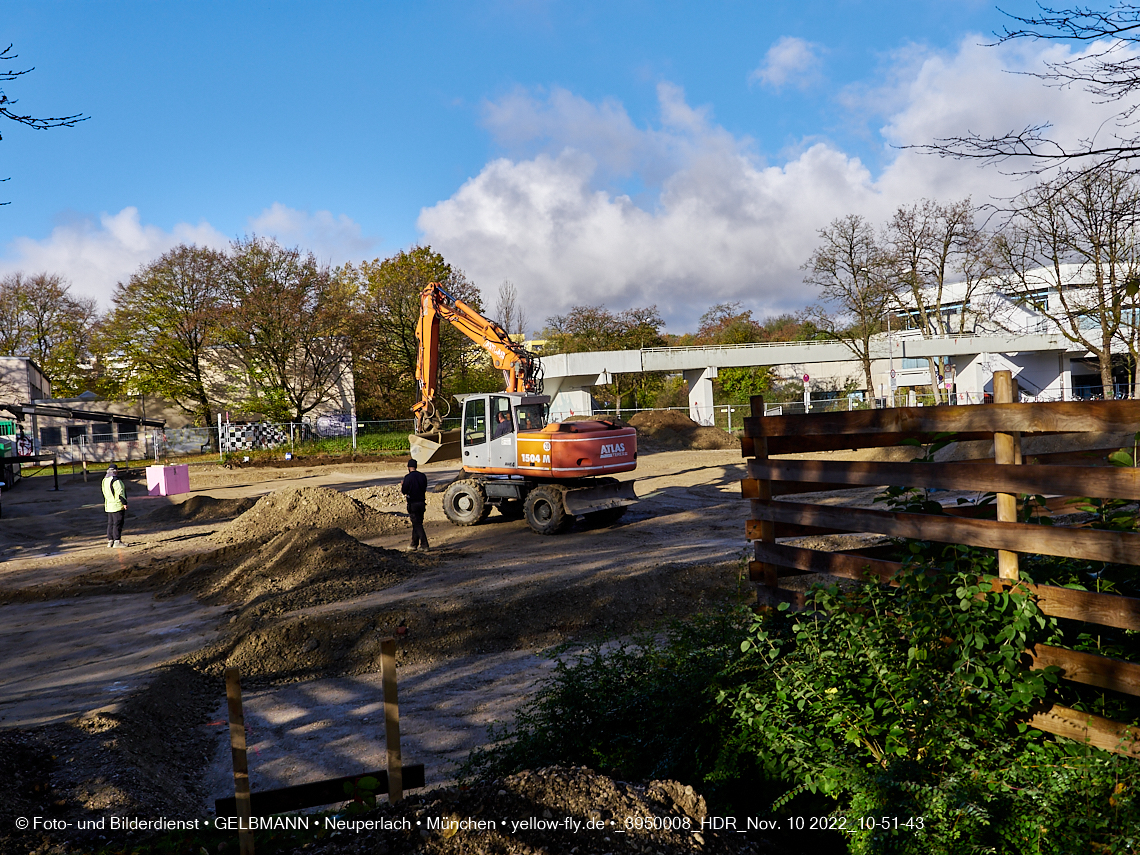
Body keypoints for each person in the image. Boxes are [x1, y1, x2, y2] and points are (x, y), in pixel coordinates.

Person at [401, 458, 429, 551]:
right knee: (417, 523)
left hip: (413, 503)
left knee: (417, 524)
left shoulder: (408, 477)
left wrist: (403, 485)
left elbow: (404, 491)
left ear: (408, 467)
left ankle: (425, 544)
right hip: (421, 503)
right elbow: (424, 488)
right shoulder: (423, 476)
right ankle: (414, 544)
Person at [102, 464, 128, 548]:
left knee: (110, 523)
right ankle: (117, 541)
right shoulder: (115, 480)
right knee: (118, 523)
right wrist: (124, 503)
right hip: (117, 504)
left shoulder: (105, 480)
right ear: (115, 471)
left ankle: (110, 541)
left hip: (109, 505)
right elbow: (120, 492)